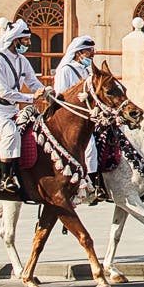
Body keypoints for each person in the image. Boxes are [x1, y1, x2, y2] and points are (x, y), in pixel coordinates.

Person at [0, 19, 46, 197]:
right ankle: (6, 178)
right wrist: (31, 98)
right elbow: (4, 92)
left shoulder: (22, 61)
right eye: (25, 40)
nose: (28, 44)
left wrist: (47, 93)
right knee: (10, 131)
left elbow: (33, 82)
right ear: (15, 40)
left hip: (10, 109)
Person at [53, 35, 111, 202]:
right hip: (71, 116)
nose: (91, 55)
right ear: (78, 53)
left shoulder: (87, 71)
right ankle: (91, 183)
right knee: (90, 145)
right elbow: (62, 96)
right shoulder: (66, 70)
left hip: (88, 115)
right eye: (88, 52)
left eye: (93, 52)